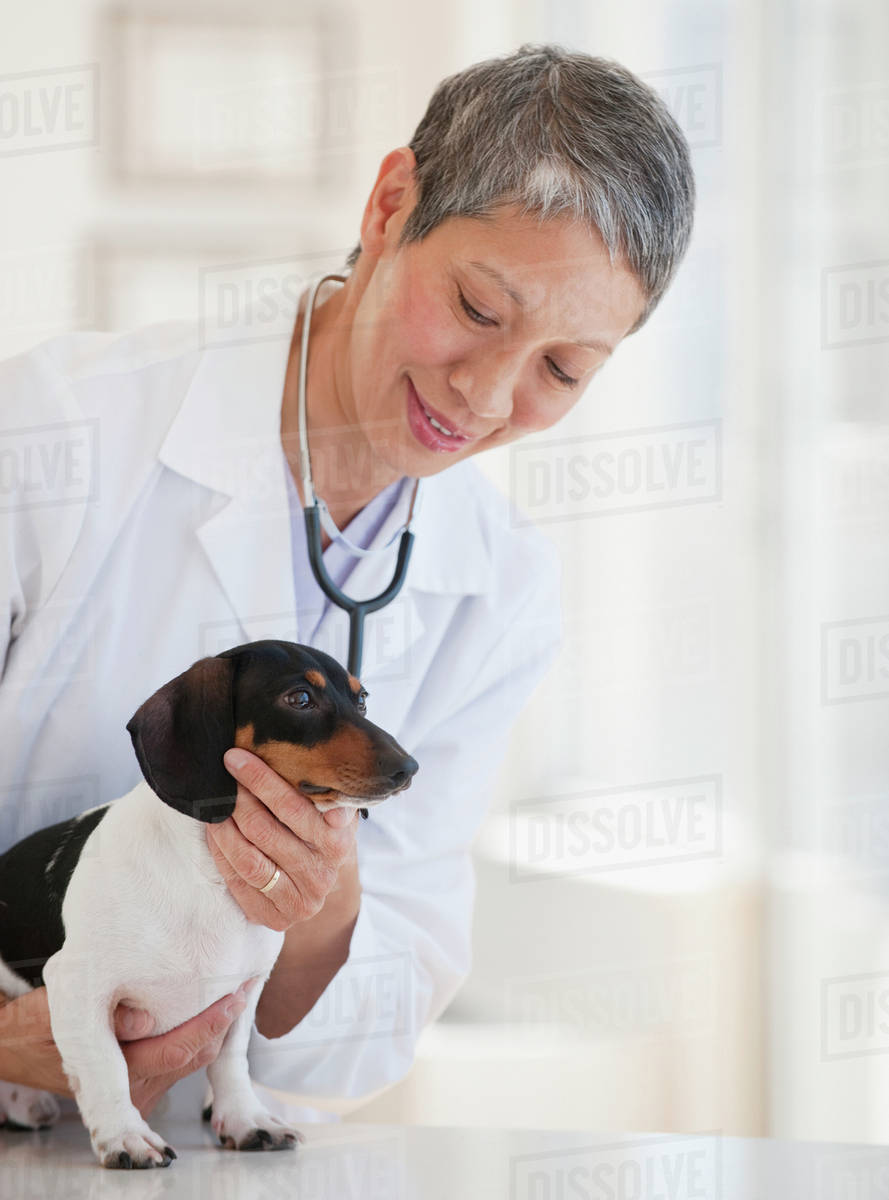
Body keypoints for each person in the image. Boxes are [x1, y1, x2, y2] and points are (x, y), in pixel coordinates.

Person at [0, 43, 694, 1127]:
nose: (486, 394)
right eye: (476, 307)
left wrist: (320, 911)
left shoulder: (499, 591)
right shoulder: (51, 439)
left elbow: (379, 1015)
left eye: (562, 370)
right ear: (389, 205)